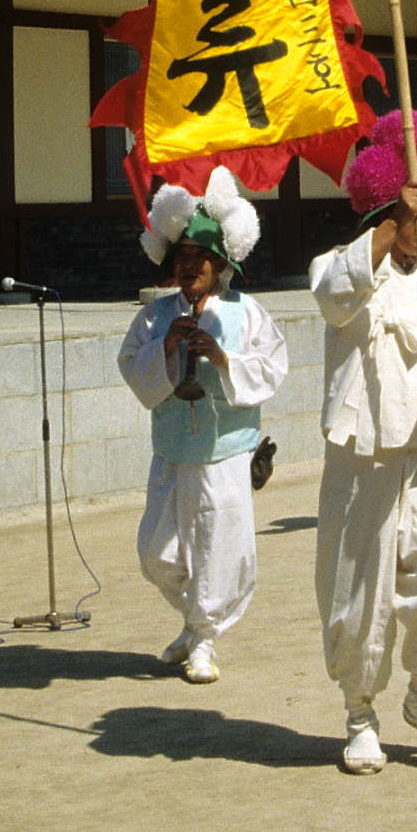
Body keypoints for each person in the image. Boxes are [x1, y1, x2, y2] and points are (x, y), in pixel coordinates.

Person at [312, 110, 417, 774]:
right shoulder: (345, 268)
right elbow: (332, 296)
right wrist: (386, 226)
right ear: (386, 208)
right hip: (361, 459)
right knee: (359, 590)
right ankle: (359, 715)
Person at [117, 168, 288, 685]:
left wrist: (222, 357)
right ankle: (196, 622)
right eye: (183, 259)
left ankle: (204, 640)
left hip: (225, 448)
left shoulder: (247, 312)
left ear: (220, 266)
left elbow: (274, 368)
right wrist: (166, 346)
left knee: (218, 544)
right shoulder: (157, 314)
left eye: (201, 260)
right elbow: (129, 363)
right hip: (173, 444)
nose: (190, 267)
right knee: (156, 550)